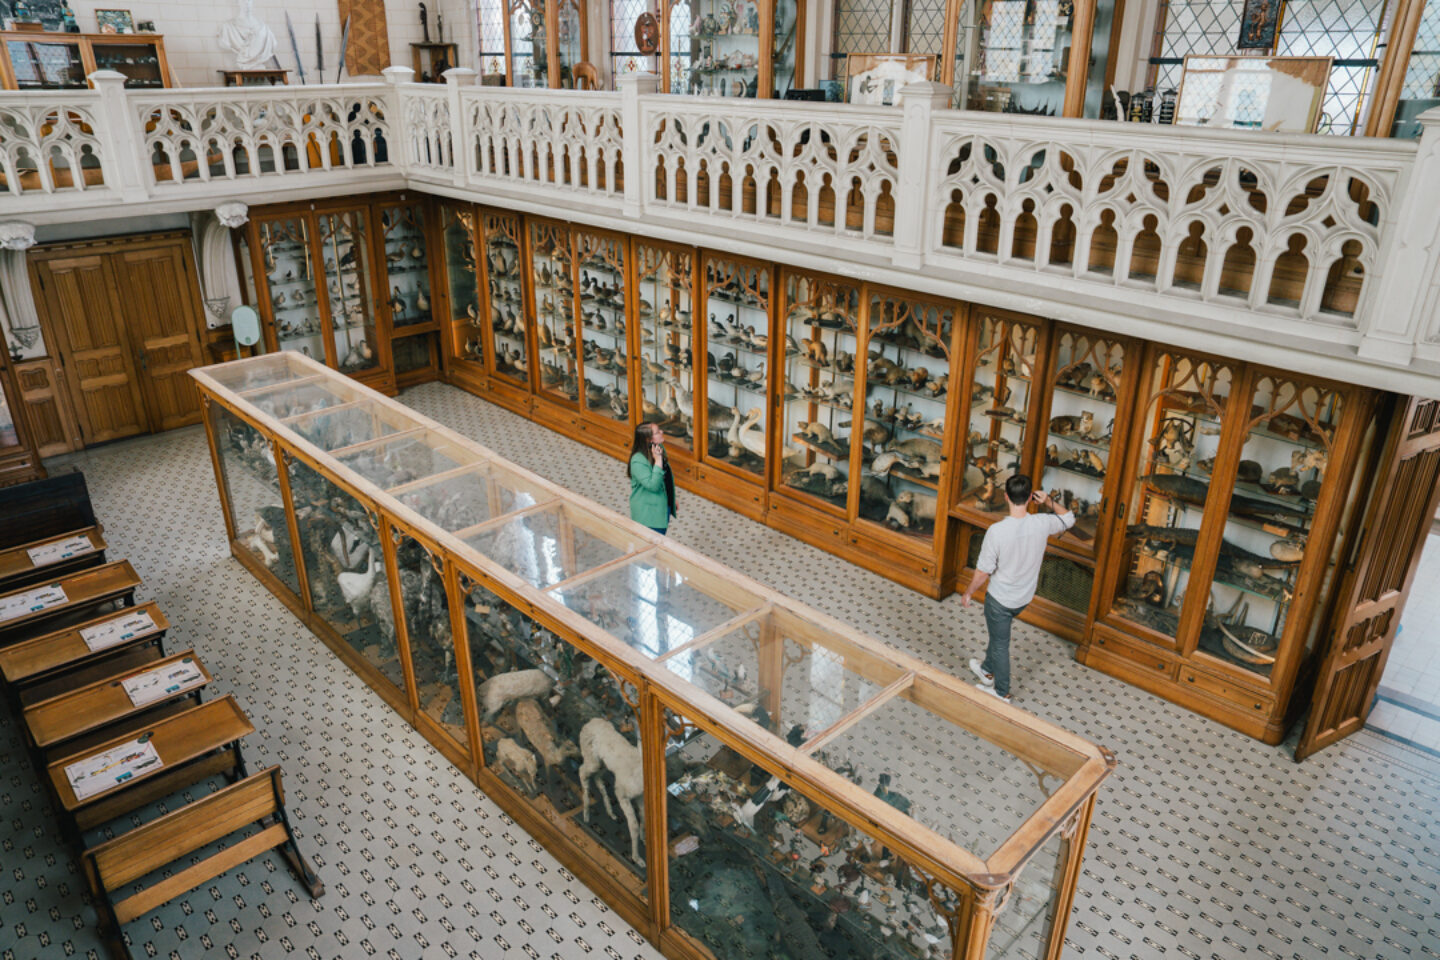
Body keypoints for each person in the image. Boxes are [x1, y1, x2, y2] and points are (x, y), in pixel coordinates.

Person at [960, 474, 1072, 703]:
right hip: (1024, 597)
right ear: (1031, 497)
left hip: (1000, 599)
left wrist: (969, 591)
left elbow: (983, 571)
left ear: (1006, 497)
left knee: (1000, 643)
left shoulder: (997, 531)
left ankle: (1001, 691)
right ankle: (986, 669)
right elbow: (1069, 518)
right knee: (998, 634)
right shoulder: (1042, 522)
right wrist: (1049, 501)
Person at [628, 423, 676, 535]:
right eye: (658, 432)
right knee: (651, 545)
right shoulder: (638, 461)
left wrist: (671, 498)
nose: (662, 432)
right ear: (648, 440)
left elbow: (666, 477)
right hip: (648, 516)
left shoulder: (658, 448)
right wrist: (658, 460)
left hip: (662, 506)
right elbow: (653, 486)